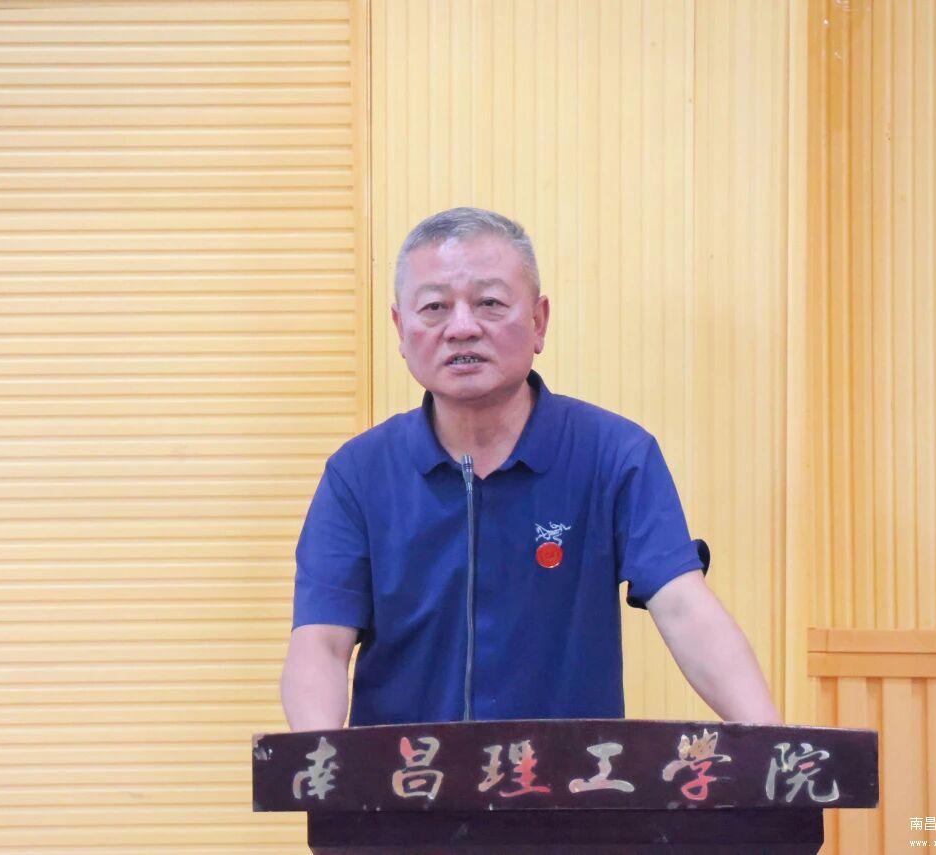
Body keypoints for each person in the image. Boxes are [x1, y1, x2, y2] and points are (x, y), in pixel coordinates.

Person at [280, 207, 782, 731]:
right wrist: (320, 763)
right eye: (434, 307)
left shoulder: (614, 455)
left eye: (489, 303)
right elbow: (321, 643)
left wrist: (776, 748)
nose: (462, 327)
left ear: (539, 322)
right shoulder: (359, 474)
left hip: (570, 780)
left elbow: (683, 606)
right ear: (401, 329)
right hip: (405, 779)